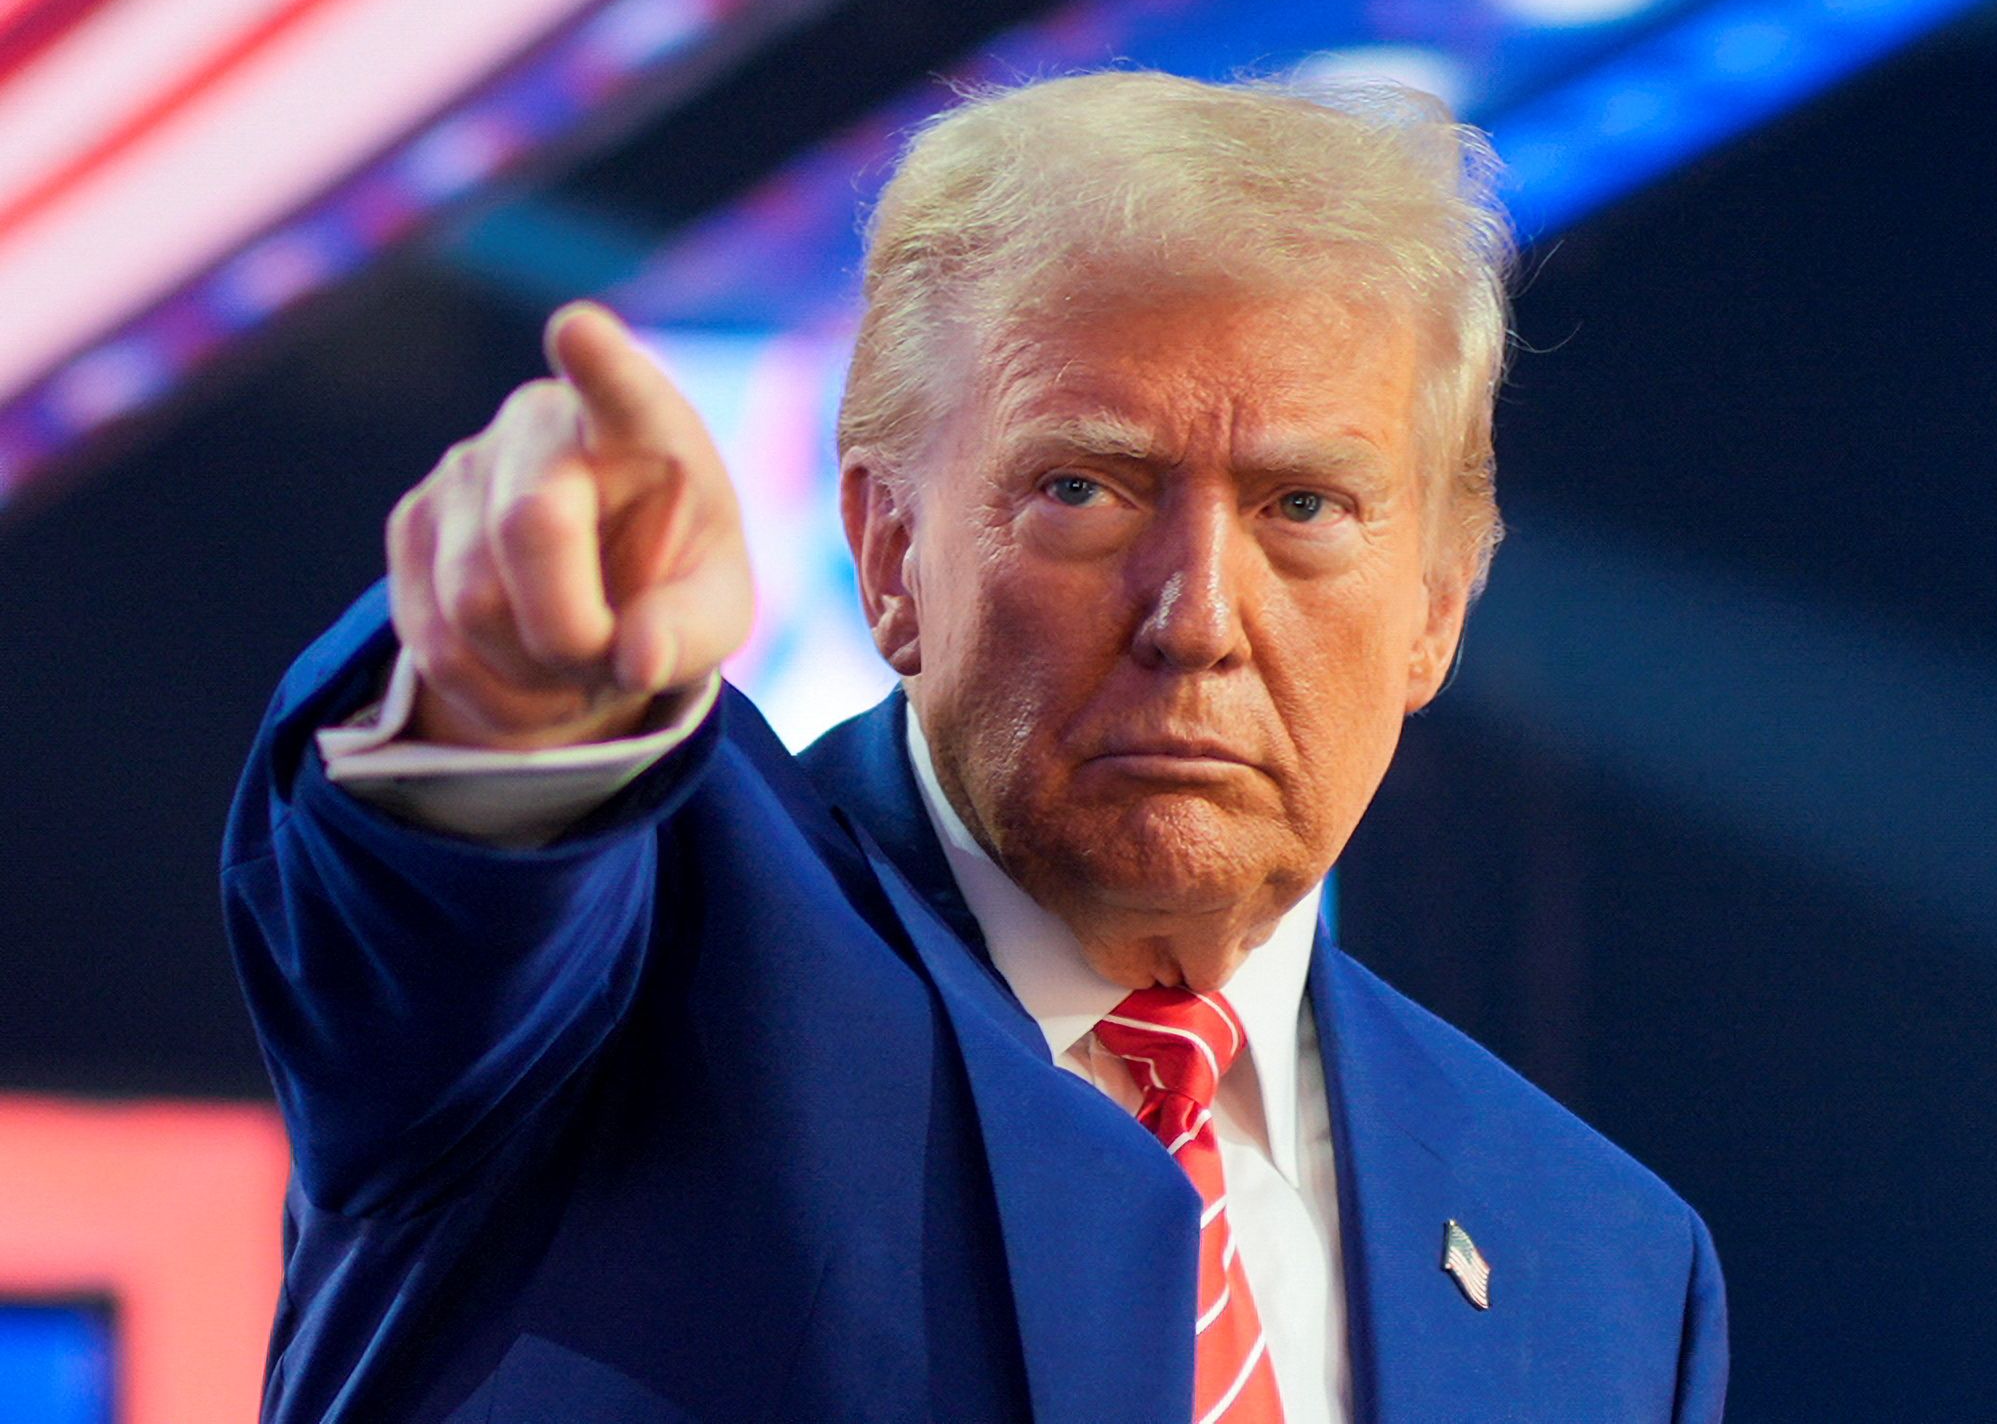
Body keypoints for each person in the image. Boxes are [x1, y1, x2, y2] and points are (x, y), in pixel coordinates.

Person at [224, 71, 1727, 1423]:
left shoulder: (1601, 1261)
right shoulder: (649, 951)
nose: (1197, 617)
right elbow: (440, 901)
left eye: (1304, 510)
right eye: (1084, 489)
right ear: (887, 551)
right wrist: (516, 691)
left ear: (1438, 614)